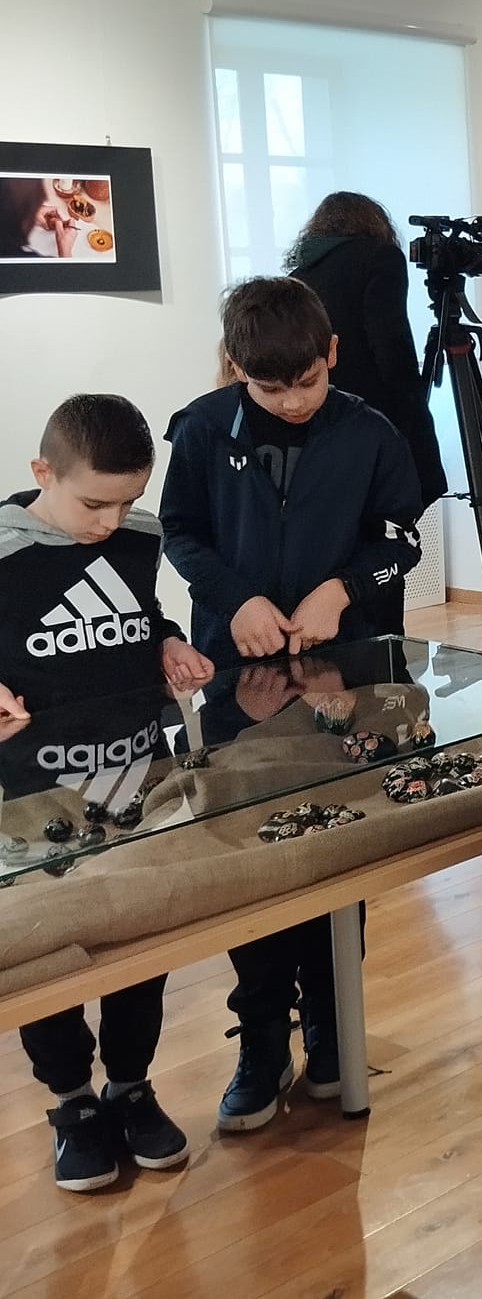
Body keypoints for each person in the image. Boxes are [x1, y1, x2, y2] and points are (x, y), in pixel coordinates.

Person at [158, 276, 423, 1132]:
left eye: (307, 381)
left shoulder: (371, 431)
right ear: (238, 369)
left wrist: (344, 589)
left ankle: (336, 1024)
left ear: (332, 353)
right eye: (271, 389)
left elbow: (402, 538)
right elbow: (181, 533)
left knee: (339, 845)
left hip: (348, 670)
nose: (294, 401)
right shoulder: (203, 429)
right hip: (238, 674)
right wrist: (233, 597)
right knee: (251, 854)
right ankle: (263, 1035)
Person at [0, 396, 214, 1193]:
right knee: (48, 947)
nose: (109, 522)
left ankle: (130, 1084)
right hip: (33, 796)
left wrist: (167, 643)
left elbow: (140, 615)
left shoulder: (138, 538)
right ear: (42, 472)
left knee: (137, 939)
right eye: (94, 503)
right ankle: (72, 1101)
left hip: (135, 775)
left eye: (127, 502)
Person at [286, 191, 448, 509]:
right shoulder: (380, 257)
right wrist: (413, 408)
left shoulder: (298, 275)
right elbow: (391, 344)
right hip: (377, 415)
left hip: (325, 421)